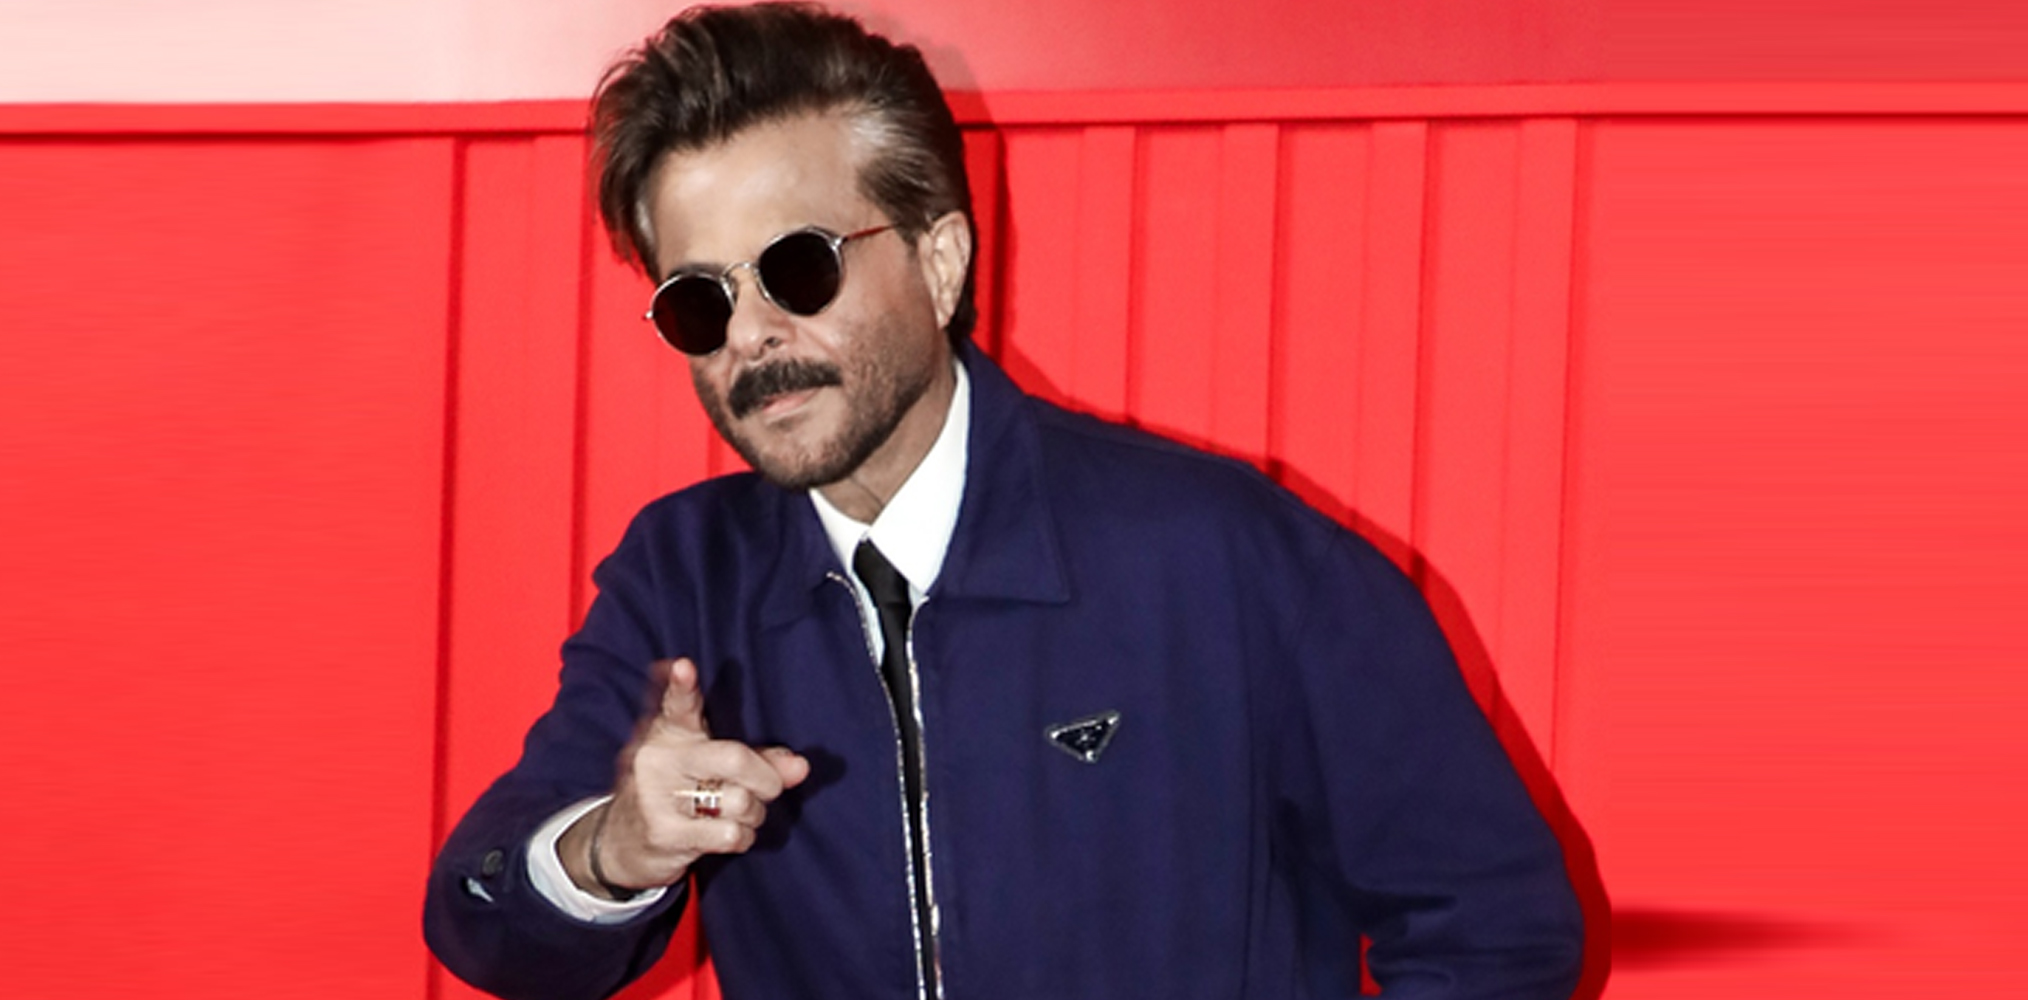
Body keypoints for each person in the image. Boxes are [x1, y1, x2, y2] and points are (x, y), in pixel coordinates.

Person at [423, 4, 1584, 998]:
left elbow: (1497, 922)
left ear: (940, 263)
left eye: (798, 267)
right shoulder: (688, 577)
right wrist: (614, 849)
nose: (753, 334)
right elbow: (480, 916)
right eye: (699, 301)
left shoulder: (1226, 559)